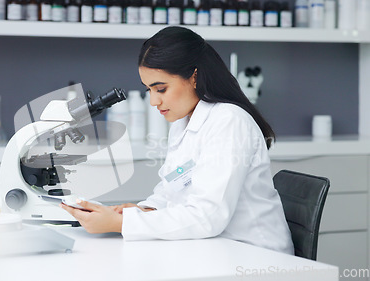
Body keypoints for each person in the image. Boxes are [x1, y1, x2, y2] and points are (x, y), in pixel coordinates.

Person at [61, 26, 294, 255]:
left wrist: (122, 225)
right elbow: (171, 190)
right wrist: (142, 210)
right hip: (212, 247)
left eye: (161, 89)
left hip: (255, 255)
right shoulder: (183, 122)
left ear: (194, 76)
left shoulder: (229, 121)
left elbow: (207, 216)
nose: (153, 101)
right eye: (149, 90)